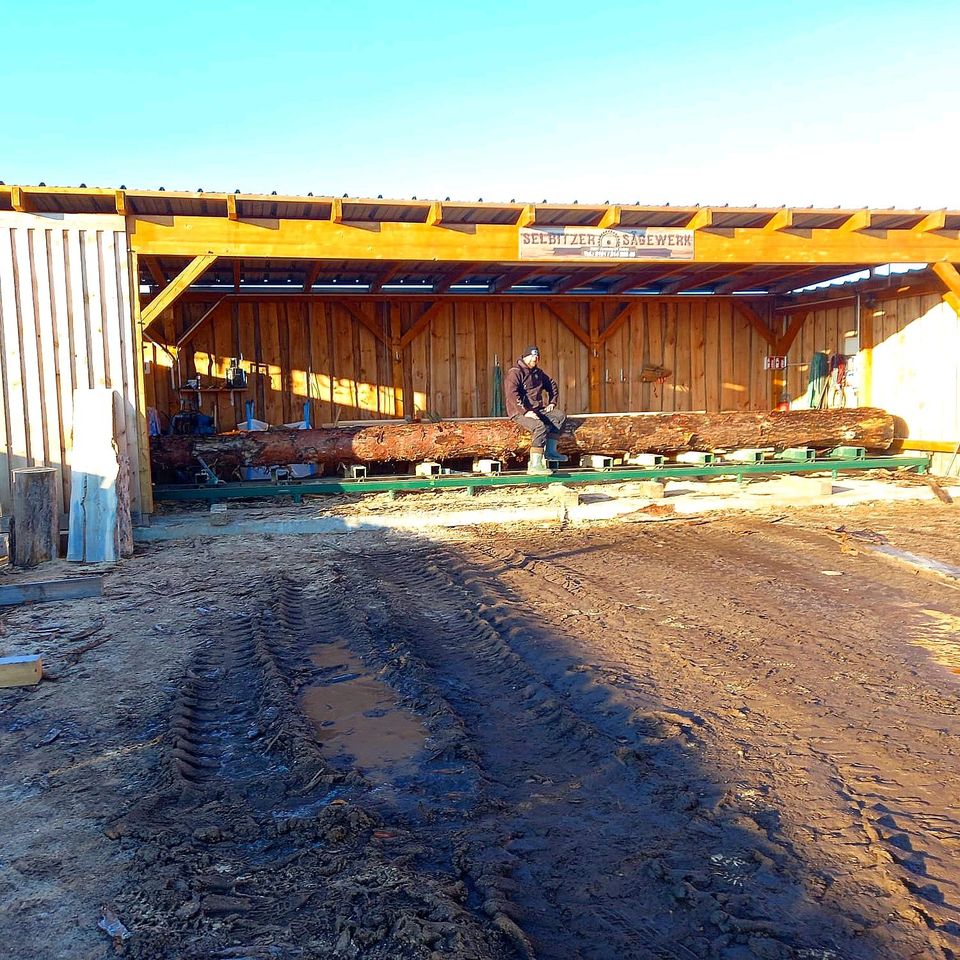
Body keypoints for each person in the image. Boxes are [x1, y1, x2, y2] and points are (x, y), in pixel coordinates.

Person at [504, 346, 568, 475]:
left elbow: (552, 385)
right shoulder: (515, 373)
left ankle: (551, 452)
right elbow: (511, 394)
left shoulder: (538, 373)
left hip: (537, 410)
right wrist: (525, 412)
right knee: (540, 427)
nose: (535, 359)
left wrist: (552, 402)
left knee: (559, 416)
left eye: (537, 356)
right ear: (525, 357)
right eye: (532, 356)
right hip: (519, 412)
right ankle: (535, 464)